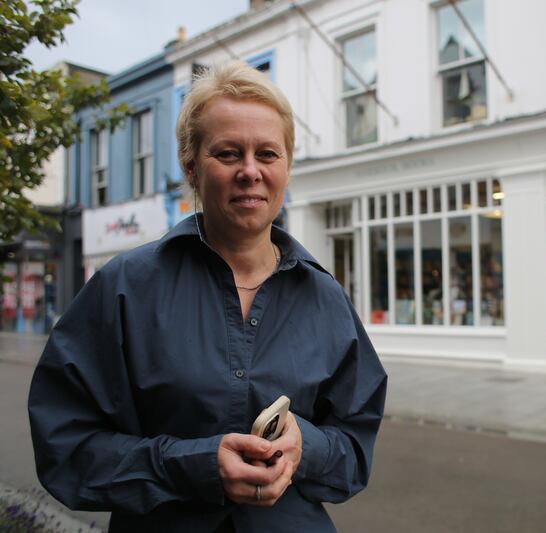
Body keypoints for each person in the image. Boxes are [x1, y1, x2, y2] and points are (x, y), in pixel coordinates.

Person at [28, 61, 387, 533]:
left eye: (267, 154)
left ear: (288, 166)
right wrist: (193, 464)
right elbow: (66, 447)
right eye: (228, 153)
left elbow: (354, 452)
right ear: (191, 166)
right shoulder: (125, 288)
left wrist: (307, 448)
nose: (250, 172)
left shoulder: (325, 299)